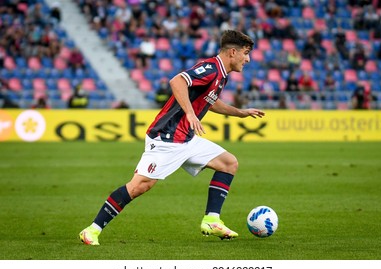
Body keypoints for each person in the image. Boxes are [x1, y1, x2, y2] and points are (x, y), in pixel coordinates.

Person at [79, 30, 264, 245]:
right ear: (233, 52)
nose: (248, 59)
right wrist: (190, 112)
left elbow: (210, 101)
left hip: (186, 138)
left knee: (228, 163)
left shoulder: (221, 74)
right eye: (246, 53)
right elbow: (177, 81)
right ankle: (92, 230)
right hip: (167, 138)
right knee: (139, 186)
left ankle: (212, 220)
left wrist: (240, 112)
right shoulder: (211, 68)